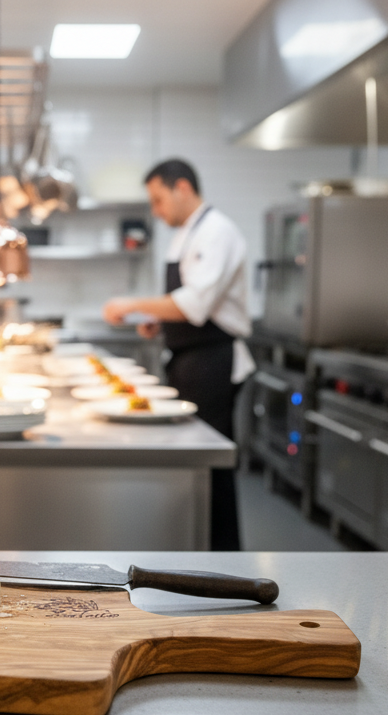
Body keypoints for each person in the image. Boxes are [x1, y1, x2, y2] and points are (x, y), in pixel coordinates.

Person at [102, 158, 256, 551]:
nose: (156, 211)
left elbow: (195, 303)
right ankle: (191, 544)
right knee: (192, 461)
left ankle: (223, 556)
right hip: (189, 359)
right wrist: (159, 321)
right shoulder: (187, 233)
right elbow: (185, 305)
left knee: (210, 463)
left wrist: (135, 302)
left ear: (182, 188)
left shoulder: (217, 231)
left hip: (214, 361)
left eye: (158, 200)